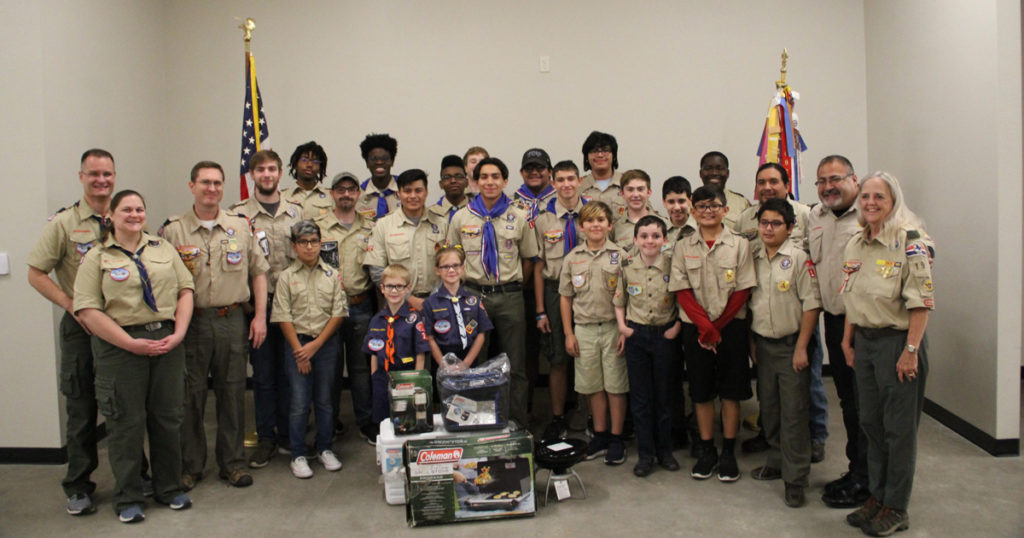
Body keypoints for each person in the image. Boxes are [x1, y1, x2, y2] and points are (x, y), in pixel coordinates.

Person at [73, 189, 195, 523]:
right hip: (120, 347)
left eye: (140, 208)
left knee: (168, 418)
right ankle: (128, 496)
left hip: (166, 339)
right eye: (126, 209)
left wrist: (179, 332)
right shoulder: (96, 257)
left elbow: (186, 290)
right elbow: (86, 310)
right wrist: (130, 343)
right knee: (125, 423)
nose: (135, 214)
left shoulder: (162, 248)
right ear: (111, 215)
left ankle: (168, 488)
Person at [160, 161, 270, 489]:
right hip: (191, 323)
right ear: (191, 186)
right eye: (205, 182)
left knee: (233, 393)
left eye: (217, 183)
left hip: (231, 320)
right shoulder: (172, 230)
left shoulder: (240, 225)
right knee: (189, 396)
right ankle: (190, 466)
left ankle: (233, 463)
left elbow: (259, 272)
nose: (212, 189)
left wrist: (260, 316)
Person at [840, 172, 934, 536]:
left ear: (893, 200)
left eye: (879, 196)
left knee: (899, 431)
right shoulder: (857, 243)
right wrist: (848, 342)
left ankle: (896, 506)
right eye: (865, 196)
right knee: (871, 425)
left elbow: (921, 304)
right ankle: (877, 497)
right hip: (864, 342)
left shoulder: (910, 242)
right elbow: (852, 295)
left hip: (898, 343)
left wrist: (910, 351)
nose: (870, 203)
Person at [27, 149, 118, 515]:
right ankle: (79, 484)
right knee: (82, 408)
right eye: (94, 174)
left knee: (125, 408)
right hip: (81, 328)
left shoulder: (127, 216)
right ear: (81, 176)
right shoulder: (63, 224)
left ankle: (135, 473)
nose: (101, 180)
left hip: (119, 327)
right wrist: (70, 304)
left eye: (107, 174)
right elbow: (35, 272)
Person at [733, 163, 824, 462]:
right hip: (763, 334)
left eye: (774, 180)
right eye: (762, 182)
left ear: (787, 184)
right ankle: (775, 450)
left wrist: (801, 345)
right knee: (769, 401)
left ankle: (811, 444)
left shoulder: (806, 216)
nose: (767, 186)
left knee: (802, 397)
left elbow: (812, 297)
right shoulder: (747, 224)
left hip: (794, 326)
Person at [669, 185, 755, 482]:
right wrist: (705, 327)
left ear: (726, 210)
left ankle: (728, 451)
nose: (708, 211)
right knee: (702, 392)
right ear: (692, 211)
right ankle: (707, 449)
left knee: (731, 393)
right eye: (702, 206)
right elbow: (681, 289)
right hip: (696, 329)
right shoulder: (683, 245)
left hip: (730, 328)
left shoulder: (740, 244)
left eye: (714, 205)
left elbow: (743, 289)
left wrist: (716, 328)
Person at [447, 157, 540, 427]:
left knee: (515, 363)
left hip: (510, 296)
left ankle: (515, 421)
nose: (490, 182)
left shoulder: (519, 216)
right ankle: (478, 421)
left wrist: (511, 285)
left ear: (505, 181)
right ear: (475, 181)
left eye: (496, 176)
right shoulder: (461, 217)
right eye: (484, 177)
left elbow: (529, 258)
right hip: (474, 296)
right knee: (475, 362)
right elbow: (453, 258)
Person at [746, 198, 822, 508]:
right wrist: (752, 346)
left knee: (794, 414)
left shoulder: (800, 259)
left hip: (792, 347)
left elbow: (812, 304)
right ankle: (776, 462)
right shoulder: (752, 257)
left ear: (790, 228)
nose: (768, 228)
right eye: (764, 222)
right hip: (763, 346)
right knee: (771, 409)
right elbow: (750, 304)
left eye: (776, 223)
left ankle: (796, 478)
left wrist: (803, 347)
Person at [230, 150, 302, 469]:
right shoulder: (237, 215)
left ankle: (288, 434)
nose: (267, 174)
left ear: (280, 172)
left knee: (290, 372)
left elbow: (306, 257)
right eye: (260, 169)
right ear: (252, 175)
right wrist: (248, 304)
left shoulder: (296, 213)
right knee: (263, 375)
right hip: (256, 305)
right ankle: (266, 438)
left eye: (272, 168)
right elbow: (236, 262)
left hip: (290, 306)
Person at [808, 155, 871, 508]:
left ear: (854, 180)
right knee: (848, 401)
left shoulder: (869, 213)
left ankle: (869, 478)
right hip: (834, 321)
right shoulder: (815, 217)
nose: (828, 186)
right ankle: (857, 470)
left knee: (867, 405)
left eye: (835, 179)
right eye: (821, 181)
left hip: (865, 325)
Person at [271, 221, 348, 479]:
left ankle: (324, 448)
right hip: (297, 346)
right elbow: (283, 316)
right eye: (303, 242)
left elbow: (338, 313)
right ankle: (298, 454)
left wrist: (315, 346)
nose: (309, 246)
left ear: (320, 243)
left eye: (314, 241)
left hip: (325, 345)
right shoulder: (286, 277)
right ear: (294, 247)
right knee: (299, 403)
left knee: (325, 401)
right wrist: (300, 351)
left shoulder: (332, 275)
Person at [559, 202, 628, 465]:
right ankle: (599, 435)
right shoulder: (573, 258)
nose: (595, 225)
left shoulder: (621, 256)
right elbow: (566, 298)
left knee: (616, 385)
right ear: (581, 227)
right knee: (593, 386)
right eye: (589, 221)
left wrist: (624, 330)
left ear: (610, 225)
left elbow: (628, 296)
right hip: (584, 330)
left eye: (601, 220)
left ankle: (616, 437)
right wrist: (568, 333)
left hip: (613, 328)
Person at [613, 215, 681, 476]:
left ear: (665, 240)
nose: (649, 241)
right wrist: (623, 327)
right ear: (635, 240)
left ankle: (665, 451)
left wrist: (676, 328)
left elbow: (682, 297)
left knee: (664, 397)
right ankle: (645, 454)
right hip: (637, 336)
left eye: (655, 236)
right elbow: (619, 299)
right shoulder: (628, 266)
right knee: (640, 398)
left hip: (665, 335)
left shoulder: (672, 265)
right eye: (644, 236)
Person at [317, 172, 377, 444]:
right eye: (340, 189)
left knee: (361, 368)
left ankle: (366, 421)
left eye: (351, 189)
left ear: (358, 194)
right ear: (332, 194)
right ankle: (329, 423)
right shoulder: (318, 226)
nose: (346, 194)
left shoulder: (371, 227)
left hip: (360, 304)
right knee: (329, 369)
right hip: (326, 309)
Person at [533, 160, 586, 441]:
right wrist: (540, 310)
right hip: (554, 292)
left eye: (571, 179)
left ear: (580, 181)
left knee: (587, 354)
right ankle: (557, 417)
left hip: (589, 292)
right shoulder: (543, 218)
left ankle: (584, 415)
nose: (566, 185)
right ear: (553, 183)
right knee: (557, 356)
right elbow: (540, 266)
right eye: (561, 180)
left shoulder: (593, 213)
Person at [364, 168, 448, 311]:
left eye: (418, 190)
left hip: (437, 301)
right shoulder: (383, 225)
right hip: (398, 303)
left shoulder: (441, 224)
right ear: (398, 193)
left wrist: (434, 297)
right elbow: (377, 271)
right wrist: (409, 297)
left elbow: (450, 265)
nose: (413, 196)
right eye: (407, 191)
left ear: (426, 192)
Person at [363, 264, 430, 433]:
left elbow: (420, 353)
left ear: (407, 289)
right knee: (383, 421)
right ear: (382, 289)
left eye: (399, 286)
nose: (394, 291)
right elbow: (373, 352)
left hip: (406, 375)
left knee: (407, 417)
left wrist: (416, 380)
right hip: (382, 377)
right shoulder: (377, 320)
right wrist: (374, 376)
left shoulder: (414, 318)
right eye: (390, 286)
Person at [422, 246, 493, 365]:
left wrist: (466, 363)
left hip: (470, 358)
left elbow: (481, 334)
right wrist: (443, 365)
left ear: (463, 268)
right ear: (437, 270)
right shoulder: (430, 303)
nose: (451, 270)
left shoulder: (474, 301)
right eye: (445, 266)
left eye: (455, 265)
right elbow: (430, 338)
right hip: (441, 358)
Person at [611, 169, 666, 249]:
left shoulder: (664, 224)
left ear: (649, 192)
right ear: (622, 193)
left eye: (640, 189)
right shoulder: (615, 228)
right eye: (630, 189)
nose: (636, 195)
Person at [282, 141, 333, 219]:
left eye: (315, 161)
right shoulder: (283, 196)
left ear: (320, 167)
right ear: (295, 164)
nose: (309, 165)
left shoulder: (331, 197)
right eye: (304, 160)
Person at [698, 151, 749, 229]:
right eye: (708, 168)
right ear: (701, 173)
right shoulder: (688, 203)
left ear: (727, 173)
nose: (714, 173)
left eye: (720, 169)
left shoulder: (742, 203)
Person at [356, 133, 400, 220]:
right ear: (367, 163)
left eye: (385, 158)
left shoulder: (406, 191)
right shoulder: (357, 195)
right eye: (373, 159)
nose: (379, 162)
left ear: (392, 161)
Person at [579, 131, 625, 211]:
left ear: (614, 155)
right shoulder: (578, 186)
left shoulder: (627, 182)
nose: (600, 155)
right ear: (587, 157)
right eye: (594, 151)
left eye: (605, 150)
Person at [429, 155, 471, 222]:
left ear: (467, 182)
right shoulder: (430, 213)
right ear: (441, 184)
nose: (453, 181)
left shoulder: (477, 210)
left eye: (458, 176)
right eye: (447, 177)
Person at [663, 176, 697, 245]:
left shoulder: (701, 230)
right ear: (664, 202)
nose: (677, 207)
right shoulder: (659, 231)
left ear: (690, 201)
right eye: (671, 202)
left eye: (681, 201)